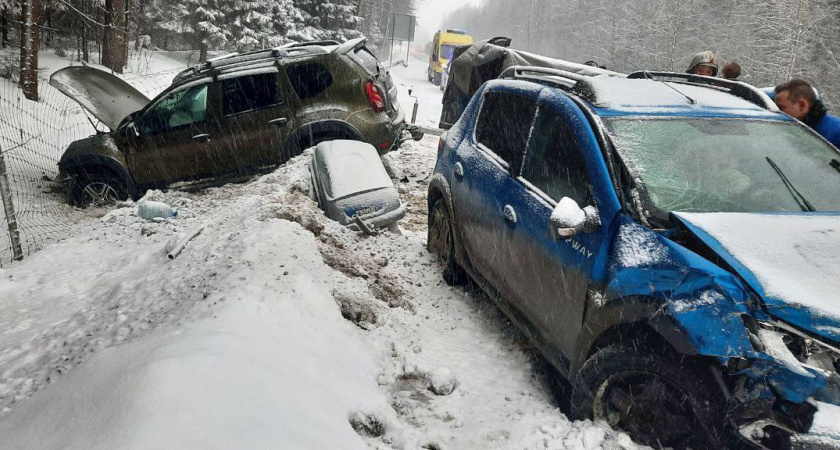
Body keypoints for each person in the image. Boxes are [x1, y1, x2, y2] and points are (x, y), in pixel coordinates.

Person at [774, 79, 840, 149]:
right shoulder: (793, 129)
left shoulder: (836, 132)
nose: (776, 112)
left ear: (802, 105)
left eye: (781, 107)